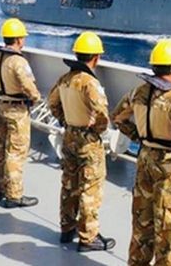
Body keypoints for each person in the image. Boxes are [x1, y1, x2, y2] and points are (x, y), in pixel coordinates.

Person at [110, 39, 171, 266]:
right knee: (170, 227)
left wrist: (139, 137)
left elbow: (117, 117)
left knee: (142, 222)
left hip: (145, 159)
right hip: (168, 166)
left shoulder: (138, 92)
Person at [48, 32, 116, 252]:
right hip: (87, 141)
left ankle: (67, 228)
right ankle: (88, 237)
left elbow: (52, 103)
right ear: (96, 58)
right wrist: (95, 130)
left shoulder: (65, 79)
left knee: (69, 183)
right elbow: (102, 115)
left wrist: (65, 121)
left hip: (69, 136)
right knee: (90, 187)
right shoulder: (90, 83)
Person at [0, 18, 41, 208]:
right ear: (18, 39)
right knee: (15, 152)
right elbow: (28, 86)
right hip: (17, 110)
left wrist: (2, 90)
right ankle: (14, 195)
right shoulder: (18, 61)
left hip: (1, 106)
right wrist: (35, 97)